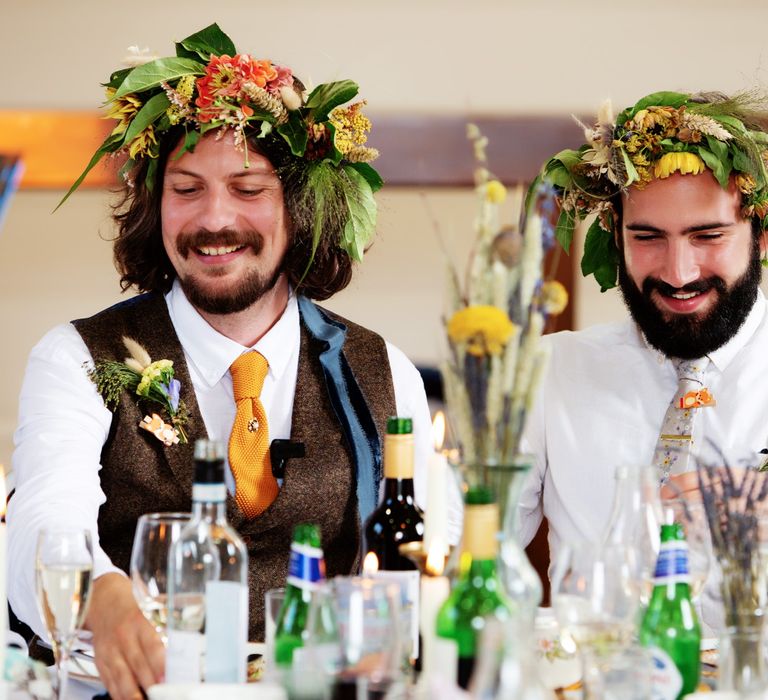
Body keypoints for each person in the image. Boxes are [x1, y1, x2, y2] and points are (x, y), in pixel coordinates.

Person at [7, 23, 454, 700]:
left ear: (299, 208)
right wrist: (98, 591)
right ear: (155, 206)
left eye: (248, 189)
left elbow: (427, 559)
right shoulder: (80, 360)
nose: (214, 220)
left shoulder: (380, 370)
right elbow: (46, 517)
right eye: (186, 189)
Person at [518, 90, 768, 623]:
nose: (679, 273)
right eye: (648, 237)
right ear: (614, 235)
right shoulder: (549, 372)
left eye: (709, 235)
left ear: (761, 234)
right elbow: (470, 547)